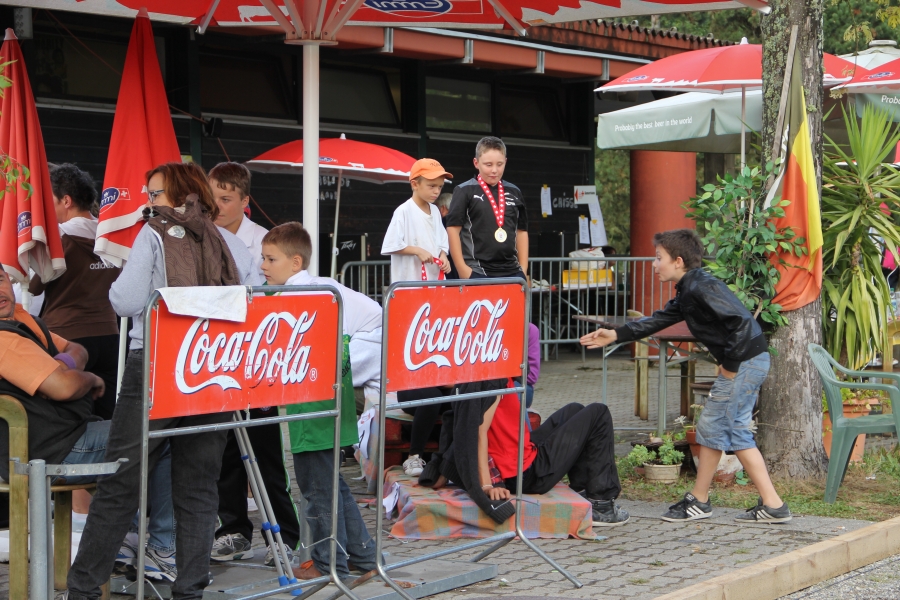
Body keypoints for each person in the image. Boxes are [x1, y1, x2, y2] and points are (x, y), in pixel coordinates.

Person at [66, 162, 259, 600]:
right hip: (215, 368)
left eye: (154, 193)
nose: (147, 201)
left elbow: (126, 298)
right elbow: (252, 298)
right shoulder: (230, 240)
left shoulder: (154, 233)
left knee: (120, 480)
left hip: (155, 363)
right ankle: (189, 588)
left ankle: (82, 589)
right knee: (198, 485)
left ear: (175, 194)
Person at [580, 228, 791, 524]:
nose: (654, 265)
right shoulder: (689, 289)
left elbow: (741, 324)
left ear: (678, 261)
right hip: (748, 362)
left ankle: (721, 501)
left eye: (658, 258)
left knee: (720, 428)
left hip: (745, 364)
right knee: (724, 430)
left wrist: (729, 367)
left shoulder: (700, 287)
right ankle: (752, 503)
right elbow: (658, 320)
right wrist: (615, 334)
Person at [259, 222, 380, 581]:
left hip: (315, 404)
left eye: (270, 259)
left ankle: (331, 567)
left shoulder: (300, 294)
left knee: (316, 491)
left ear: (295, 262)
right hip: (328, 399)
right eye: (262, 258)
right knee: (331, 486)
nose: (263, 266)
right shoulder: (314, 286)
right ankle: (364, 557)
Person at [207, 162, 301, 567]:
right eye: (213, 198)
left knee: (263, 449)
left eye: (226, 199)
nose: (218, 206)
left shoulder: (261, 240)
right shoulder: (202, 235)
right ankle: (232, 530)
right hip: (216, 354)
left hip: (255, 356)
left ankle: (284, 534)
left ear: (245, 201)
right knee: (224, 449)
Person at [29, 163, 120, 420]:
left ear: (66, 200)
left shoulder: (59, 237)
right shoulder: (112, 235)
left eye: (51, 202)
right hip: (109, 334)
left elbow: (34, 286)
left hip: (67, 338)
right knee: (107, 419)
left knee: (69, 418)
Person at [0, 270, 108, 483]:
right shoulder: (4, 341)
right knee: (154, 438)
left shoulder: (21, 318)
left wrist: (61, 364)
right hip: (49, 452)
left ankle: (112, 516)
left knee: (148, 436)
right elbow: (64, 388)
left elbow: (76, 348)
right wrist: (91, 378)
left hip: (65, 436)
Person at [382, 158, 454, 476]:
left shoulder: (436, 213)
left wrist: (441, 256)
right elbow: (392, 245)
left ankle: (445, 457)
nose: (436, 191)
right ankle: (415, 454)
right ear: (415, 184)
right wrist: (417, 251)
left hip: (432, 302)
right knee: (423, 381)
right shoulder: (403, 212)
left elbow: (442, 245)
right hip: (411, 302)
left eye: (439, 186)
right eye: (431, 185)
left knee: (444, 386)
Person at [446, 136, 528, 280]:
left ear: (506, 162)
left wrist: (523, 268)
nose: (494, 170)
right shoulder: (465, 190)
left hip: (513, 272)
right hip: (477, 271)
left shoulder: (515, 191)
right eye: (488, 165)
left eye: (500, 164)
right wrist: (462, 269)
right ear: (476, 163)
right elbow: (453, 229)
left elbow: (521, 231)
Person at [435, 192, 459, 279]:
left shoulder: (444, 221)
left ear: (443, 208)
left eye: (436, 207)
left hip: (448, 265)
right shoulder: (464, 220)